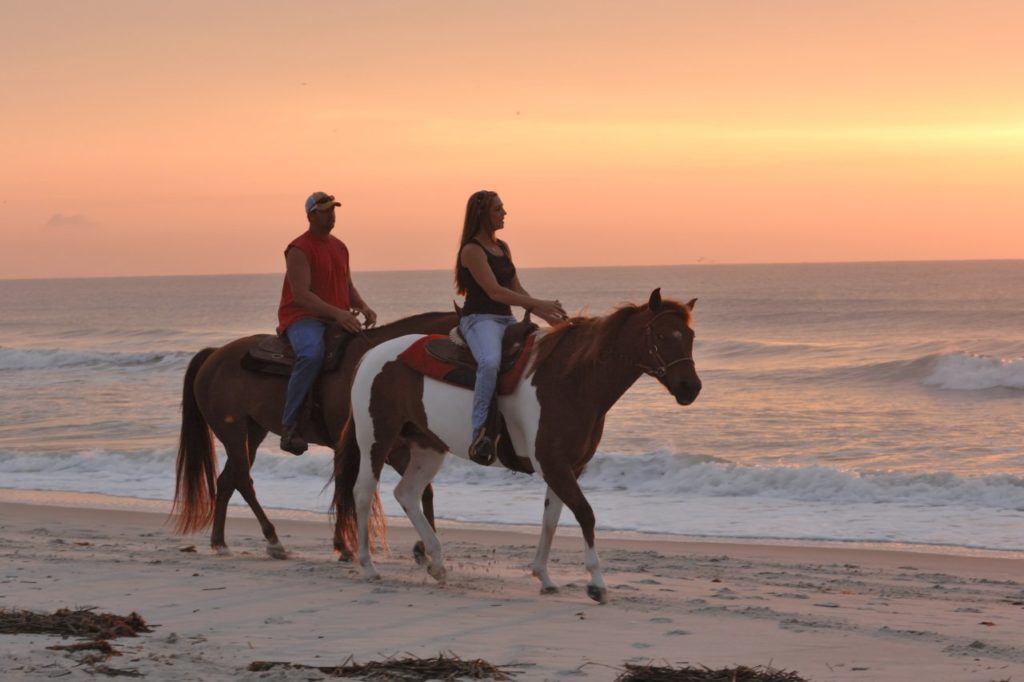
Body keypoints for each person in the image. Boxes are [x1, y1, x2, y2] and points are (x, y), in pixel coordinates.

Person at [455, 190, 567, 465]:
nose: (504, 213)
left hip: (505, 320)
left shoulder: (502, 247)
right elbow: (495, 292)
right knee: (490, 362)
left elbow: (516, 289)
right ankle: (480, 431)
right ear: (483, 215)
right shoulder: (471, 251)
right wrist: (538, 302)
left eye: (503, 208)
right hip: (479, 319)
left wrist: (548, 315)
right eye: (498, 209)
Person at [277, 191, 377, 455]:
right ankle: (289, 424)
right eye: (325, 210)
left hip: (335, 317)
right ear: (311, 215)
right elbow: (301, 295)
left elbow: (347, 286)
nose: (332, 215)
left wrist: (362, 306)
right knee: (311, 355)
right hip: (303, 318)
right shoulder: (299, 248)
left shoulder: (340, 247)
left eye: (333, 210)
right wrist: (338, 314)